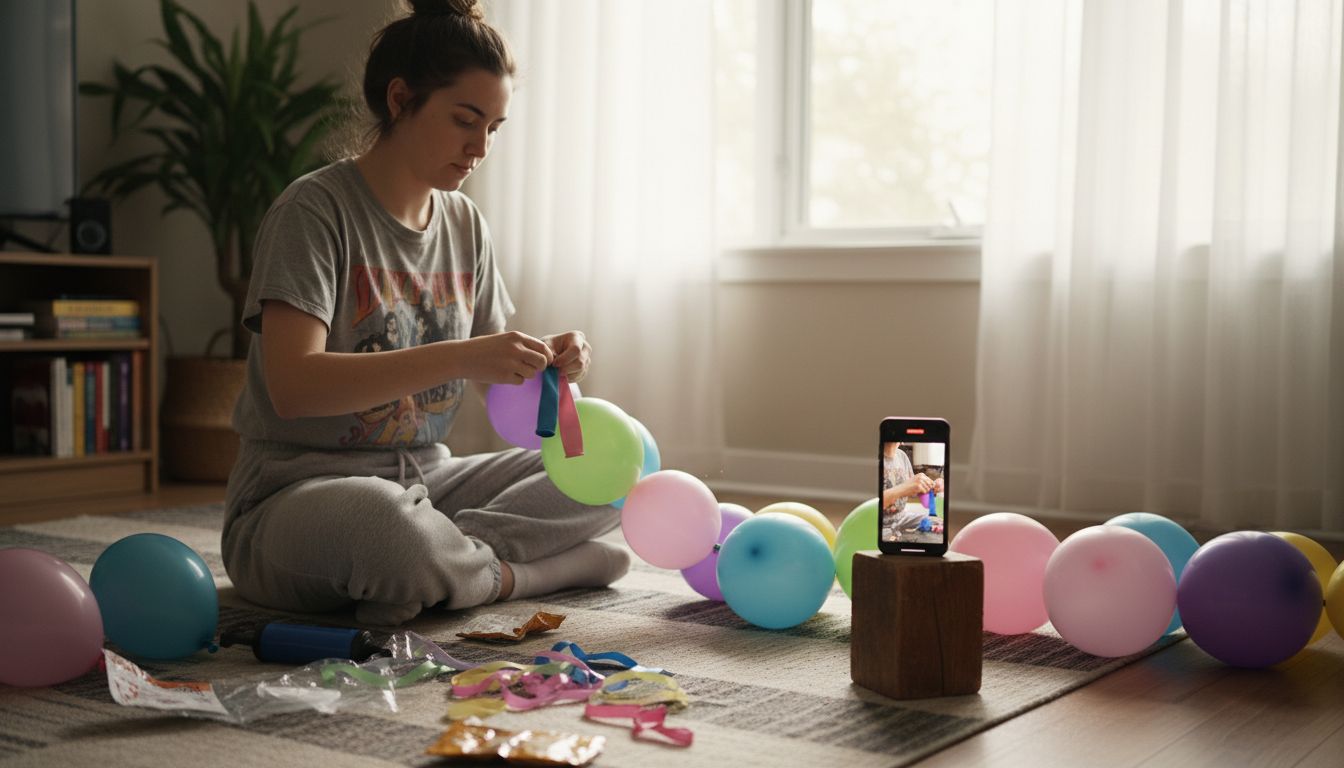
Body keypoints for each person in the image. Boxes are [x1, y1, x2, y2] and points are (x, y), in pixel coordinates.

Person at [222, 0, 629, 627]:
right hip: (295, 493)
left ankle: (442, 566)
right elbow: (294, 387)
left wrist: (548, 357)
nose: (480, 147)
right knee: (389, 530)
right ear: (400, 98)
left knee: (613, 466)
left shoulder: (465, 223)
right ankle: (523, 574)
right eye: (465, 120)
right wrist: (465, 355)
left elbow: (497, 369)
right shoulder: (313, 212)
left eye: (494, 128)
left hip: (432, 485)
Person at [880, 442, 943, 540]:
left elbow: (912, 489)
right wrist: (904, 488)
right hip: (880, 524)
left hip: (901, 518)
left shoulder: (902, 456)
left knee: (940, 526)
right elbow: (870, 505)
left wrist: (929, 486)